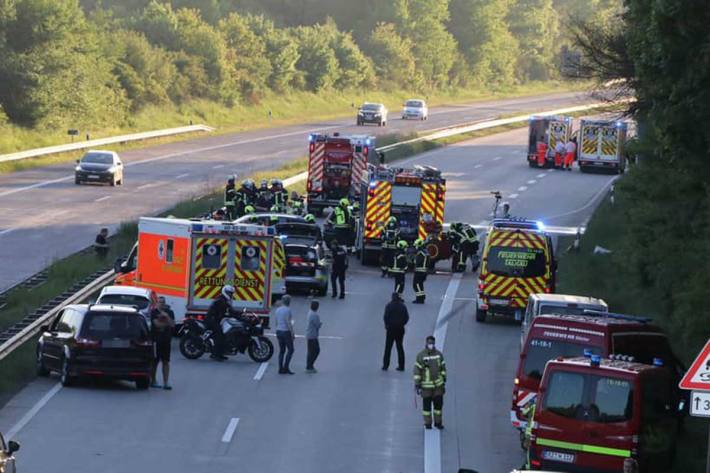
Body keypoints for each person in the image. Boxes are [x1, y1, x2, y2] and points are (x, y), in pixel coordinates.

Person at [413, 335, 447, 429]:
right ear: (426, 343)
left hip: (438, 386)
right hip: (426, 387)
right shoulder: (421, 356)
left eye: (432, 343)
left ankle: (438, 423)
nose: (430, 345)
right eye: (429, 343)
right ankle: (428, 423)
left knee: (438, 407)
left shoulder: (439, 355)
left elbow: (443, 368)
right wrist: (417, 383)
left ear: (434, 343)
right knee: (426, 408)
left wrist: (443, 378)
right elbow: (417, 371)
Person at [150, 297, 175, 390]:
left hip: (166, 340)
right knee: (155, 361)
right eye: (160, 302)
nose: (161, 304)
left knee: (166, 361)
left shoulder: (170, 312)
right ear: (157, 303)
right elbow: (157, 324)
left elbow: (173, 324)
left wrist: (167, 317)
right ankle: (153, 380)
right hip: (156, 341)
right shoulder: (154, 312)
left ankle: (166, 383)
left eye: (163, 302)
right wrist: (166, 323)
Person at [205, 286, 234, 361]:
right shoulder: (221, 300)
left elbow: (230, 310)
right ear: (225, 292)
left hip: (216, 320)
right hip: (211, 320)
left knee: (225, 333)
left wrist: (240, 314)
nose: (230, 295)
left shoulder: (223, 299)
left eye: (231, 293)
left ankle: (220, 353)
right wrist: (237, 315)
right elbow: (228, 311)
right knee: (220, 334)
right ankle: (215, 354)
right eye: (229, 293)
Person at [382, 292, 409, 371]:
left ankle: (385, 365)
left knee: (388, 347)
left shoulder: (389, 306)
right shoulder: (403, 306)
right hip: (400, 329)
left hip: (391, 329)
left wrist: (387, 325)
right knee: (399, 347)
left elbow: (386, 317)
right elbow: (406, 317)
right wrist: (402, 324)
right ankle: (401, 365)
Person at [274, 295, 295, 374]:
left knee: (282, 350)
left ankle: (280, 368)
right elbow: (288, 322)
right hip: (285, 331)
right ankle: (286, 367)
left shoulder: (277, 310)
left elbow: (276, 321)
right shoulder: (288, 310)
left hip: (279, 331)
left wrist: (277, 329)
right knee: (291, 349)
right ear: (289, 302)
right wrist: (292, 333)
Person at [305, 300, 322, 373]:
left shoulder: (309, 313)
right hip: (313, 335)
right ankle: (310, 365)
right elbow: (317, 325)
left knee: (310, 351)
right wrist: (320, 324)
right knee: (316, 350)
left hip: (309, 334)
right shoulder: (315, 315)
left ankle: (309, 365)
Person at [412, 239, 428, 304]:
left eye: (416, 246)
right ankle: (421, 297)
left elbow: (417, 262)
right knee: (420, 284)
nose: (415, 247)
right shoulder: (425, 252)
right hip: (423, 271)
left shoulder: (421, 253)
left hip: (419, 271)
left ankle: (419, 299)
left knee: (416, 284)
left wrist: (413, 261)